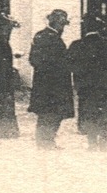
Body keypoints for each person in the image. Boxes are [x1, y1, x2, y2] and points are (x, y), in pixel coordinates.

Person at [67, 18, 107, 151]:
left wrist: (78, 76)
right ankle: (104, 144)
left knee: (88, 112)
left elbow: (68, 64)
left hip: (84, 86)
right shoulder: (105, 43)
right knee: (102, 112)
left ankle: (91, 143)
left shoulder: (76, 44)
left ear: (84, 29)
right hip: (102, 85)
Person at [27, 9, 75, 149]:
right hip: (55, 84)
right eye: (62, 25)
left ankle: (44, 141)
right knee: (53, 113)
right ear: (56, 23)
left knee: (45, 113)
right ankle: (46, 142)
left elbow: (33, 60)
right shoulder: (54, 39)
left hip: (42, 82)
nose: (63, 28)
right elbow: (59, 62)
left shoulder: (39, 36)